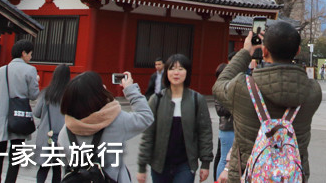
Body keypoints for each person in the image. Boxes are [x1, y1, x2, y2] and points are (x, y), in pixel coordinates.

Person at [213, 20, 322, 183]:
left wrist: (245, 52)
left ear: (264, 52)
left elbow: (219, 85)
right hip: (291, 176)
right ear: (298, 51)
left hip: (247, 175)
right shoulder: (313, 92)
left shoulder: (243, 87)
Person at [58, 70, 154, 183]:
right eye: (100, 86)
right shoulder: (116, 121)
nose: (104, 86)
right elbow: (146, 117)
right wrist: (130, 89)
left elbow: (66, 169)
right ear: (96, 95)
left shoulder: (65, 132)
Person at [137, 53, 213, 183]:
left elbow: (205, 132)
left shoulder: (197, 100)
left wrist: (205, 163)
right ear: (166, 72)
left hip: (186, 163)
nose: (176, 73)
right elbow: (148, 134)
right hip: (160, 165)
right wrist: (141, 166)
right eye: (172, 69)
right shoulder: (156, 100)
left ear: (187, 72)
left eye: (180, 69)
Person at [0, 39, 40, 183]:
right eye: (30, 54)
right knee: (16, 153)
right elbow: (33, 95)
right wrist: (36, 81)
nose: (31, 57)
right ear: (24, 53)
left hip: (0, 117)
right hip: (18, 117)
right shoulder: (30, 70)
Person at [33, 64, 70, 183]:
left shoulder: (46, 93)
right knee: (57, 168)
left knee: (43, 168)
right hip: (64, 136)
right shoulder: (70, 94)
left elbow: (37, 112)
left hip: (47, 135)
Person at [213, 63, 234, 178]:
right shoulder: (219, 89)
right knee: (224, 158)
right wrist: (234, 106)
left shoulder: (233, 87)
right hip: (227, 128)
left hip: (235, 127)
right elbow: (220, 110)